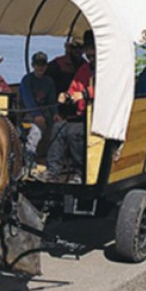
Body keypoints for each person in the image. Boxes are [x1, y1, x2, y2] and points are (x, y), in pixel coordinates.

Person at [41, 30, 95, 183]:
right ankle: (53, 171)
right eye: (88, 55)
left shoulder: (107, 69)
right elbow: (74, 86)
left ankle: (81, 171)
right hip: (81, 114)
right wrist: (66, 95)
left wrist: (85, 94)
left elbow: (108, 88)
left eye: (93, 55)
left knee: (74, 133)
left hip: (99, 116)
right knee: (58, 128)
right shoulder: (84, 69)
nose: (90, 58)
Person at [19, 51, 57, 161]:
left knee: (59, 128)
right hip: (27, 115)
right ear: (33, 65)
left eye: (43, 65)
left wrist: (56, 114)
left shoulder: (49, 81)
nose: (40, 67)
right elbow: (28, 100)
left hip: (44, 115)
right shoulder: (27, 80)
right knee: (35, 130)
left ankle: (52, 159)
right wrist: (36, 115)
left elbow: (52, 101)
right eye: (38, 64)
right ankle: (29, 156)